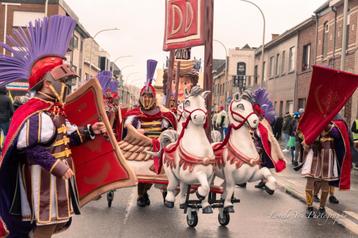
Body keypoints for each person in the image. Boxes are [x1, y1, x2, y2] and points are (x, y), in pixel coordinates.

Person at [0, 15, 106, 237]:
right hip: (40, 181)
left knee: (56, 225)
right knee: (44, 227)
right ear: (48, 83)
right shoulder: (35, 112)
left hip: (55, 180)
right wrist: (56, 165)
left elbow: (65, 139)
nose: (67, 86)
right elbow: (27, 148)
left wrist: (89, 131)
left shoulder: (54, 109)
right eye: (64, 82)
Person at [124, 60, 177, 207]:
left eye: (149, 96)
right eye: (144, 96)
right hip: (141, 145)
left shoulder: (164, 114)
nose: (147, 99)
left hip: (160, 144)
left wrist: (165, 135)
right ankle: (142, 194)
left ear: (154, 98)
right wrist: (136, 131)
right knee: (140, 167)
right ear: (141, 97)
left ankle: (167, 191)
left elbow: (171, 131)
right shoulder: (134, 113)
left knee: (169, 161)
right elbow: (127, 129)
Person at [301, 119, 351, 218]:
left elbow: (337, 135)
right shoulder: (314, 120)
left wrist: (325, 124)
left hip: (328, 156)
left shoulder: (336, 124)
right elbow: (305, 138)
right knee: (310, 180)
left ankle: (322, 208)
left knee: (325, 182)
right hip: (314, 154)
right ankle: (309, 207)